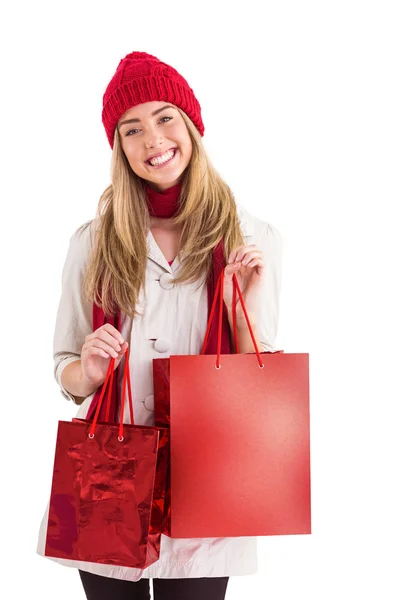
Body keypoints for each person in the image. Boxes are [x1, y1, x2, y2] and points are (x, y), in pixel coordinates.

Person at [36, 51, 283, 600]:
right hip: (108, 470)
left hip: (209, 474)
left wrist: (241, 302)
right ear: (119, 146)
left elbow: (258, 383)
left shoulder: (251, 237)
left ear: (192, 125)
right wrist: (91, 369)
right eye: (132, 128)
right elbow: (65, 368)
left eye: (165, 117)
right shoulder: (93, 242)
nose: (153, 140)